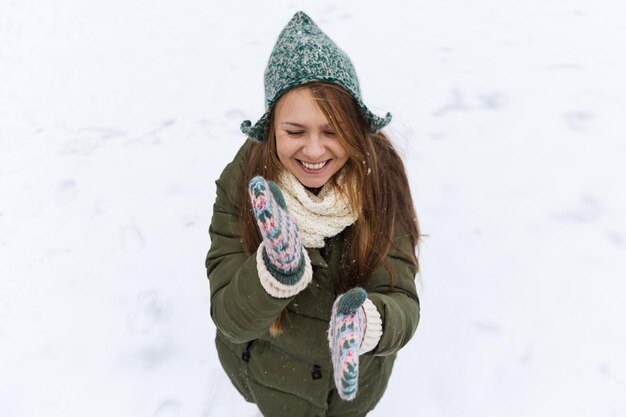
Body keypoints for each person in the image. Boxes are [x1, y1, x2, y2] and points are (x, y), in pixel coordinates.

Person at [206, 11, 421, 417]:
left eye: (331, 130)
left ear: (355, 129)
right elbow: (230, 318)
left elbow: (403, 300)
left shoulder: (380, 180)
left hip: (350, 389)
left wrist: (367, 323)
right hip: (272, 376)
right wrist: (273, 272)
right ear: (271, 131)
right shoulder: (243, 185)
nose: (315, 151)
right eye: (294, 132)